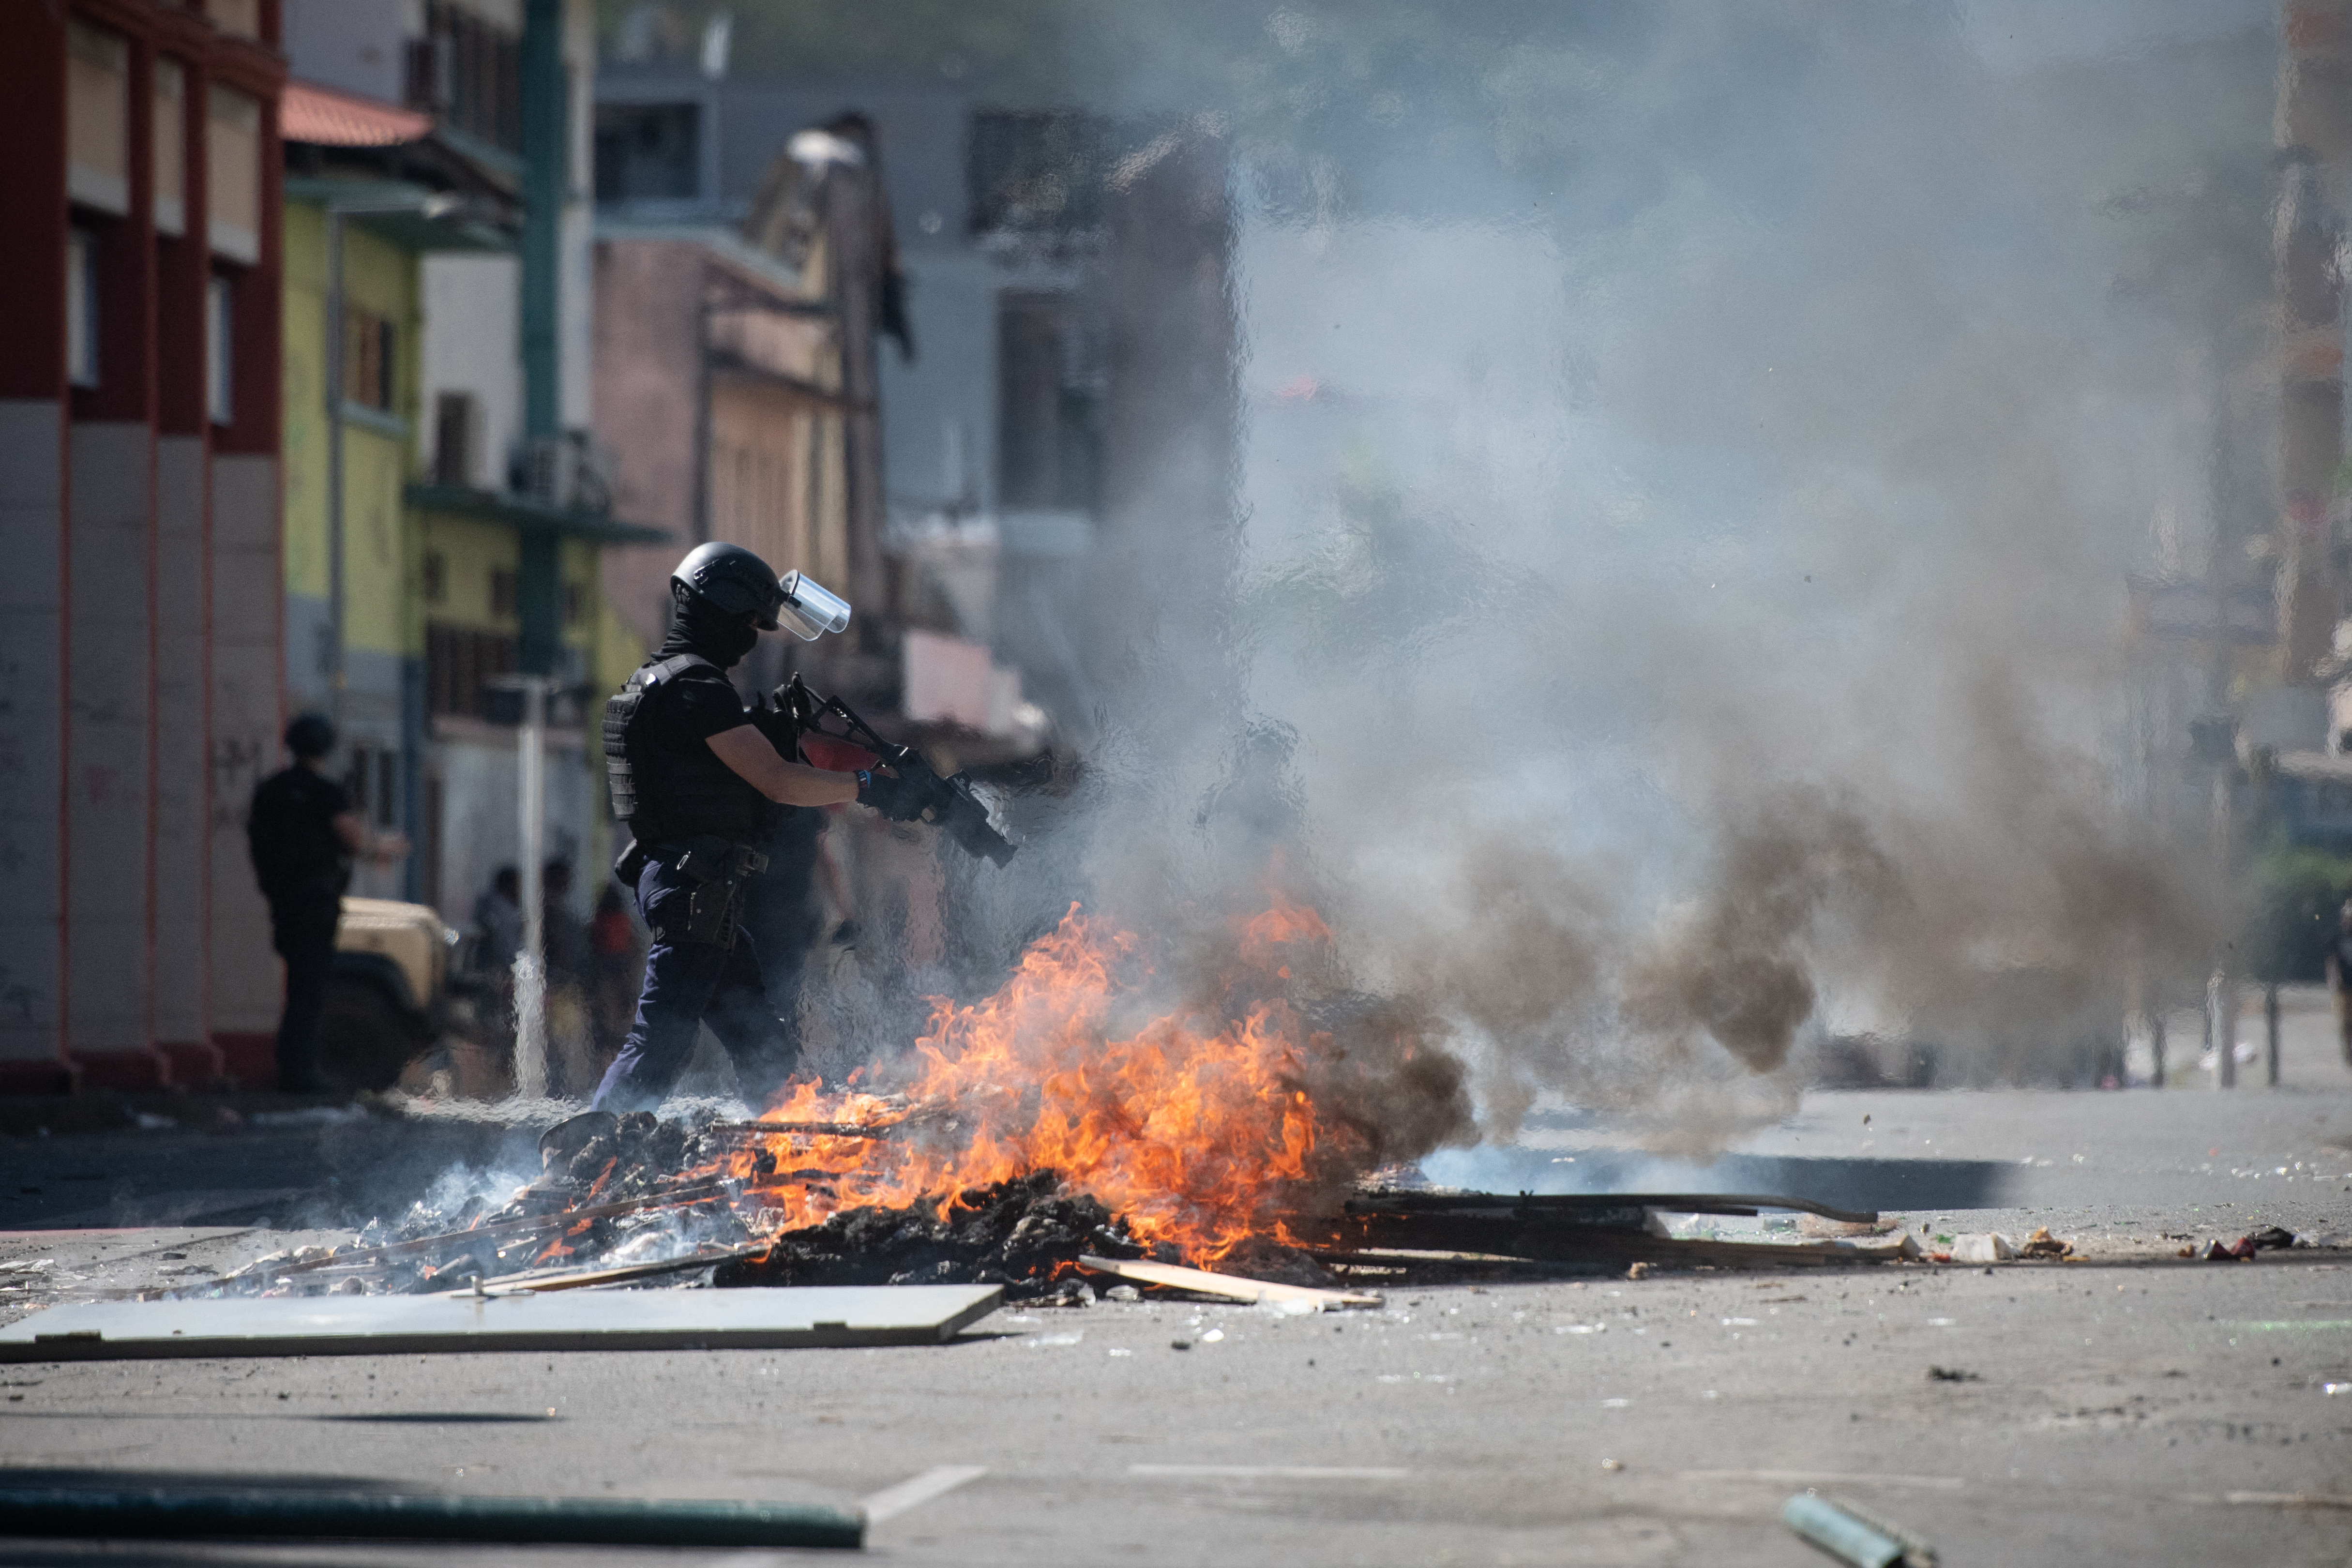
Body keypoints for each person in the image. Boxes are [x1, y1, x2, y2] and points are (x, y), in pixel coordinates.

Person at [593, 542, 921, 1112]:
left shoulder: (655, 682)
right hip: (691, 887)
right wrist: (869, 787)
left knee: (758, 1039)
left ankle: (788, 1137)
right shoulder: (698, 688)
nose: (752, 639)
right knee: (662, 1041)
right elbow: (776, 779)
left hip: (696, 886)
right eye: (749, 622)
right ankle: (584, 1159)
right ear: (718, 611)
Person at [245, 713, 407, 1092]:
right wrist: (382, 849)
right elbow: (351, 840)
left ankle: (293, 1064)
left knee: (298, 981)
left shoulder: (270, 790)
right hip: (316, 901)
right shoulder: (325, 793)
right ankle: (299, 1069)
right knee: (310, 985)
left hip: (282, 900)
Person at [2325, 900, 2352, 1070]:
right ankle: (2348, 1053)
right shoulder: (2336, 939)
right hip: (2344, 988)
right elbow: (2331, 962)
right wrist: (2334, 982)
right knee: (2345, 1023)